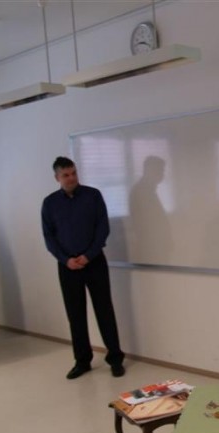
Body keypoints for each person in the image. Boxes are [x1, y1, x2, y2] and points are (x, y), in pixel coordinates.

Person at [41, 156, 125, 379]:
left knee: (104, 310)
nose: (71, 178)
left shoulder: (93, 196)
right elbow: (49, 237)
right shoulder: (50, 203)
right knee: (75, 315)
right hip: (67, 267)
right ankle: (82, 361)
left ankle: (115, 358)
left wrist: (88, 256)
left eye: (74, 173)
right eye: (66, 175)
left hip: (94, 262)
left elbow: (102, 229)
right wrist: (66, 259)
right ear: (57, 178)